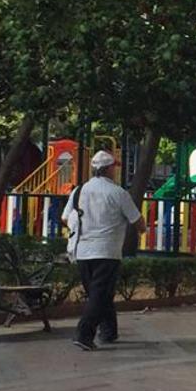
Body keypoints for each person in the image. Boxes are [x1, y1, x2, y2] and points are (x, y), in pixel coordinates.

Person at [62, 150, 146, 351]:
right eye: (114, 168)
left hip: (81, 250)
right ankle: (84, 333)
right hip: (107, 251)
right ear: (109, 169)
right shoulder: (118, 193)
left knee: (99, 293)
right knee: (99, 295)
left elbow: (65, 218)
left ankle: (109, 331)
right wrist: (141, 231)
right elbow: (137, 220)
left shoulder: (79, 191)